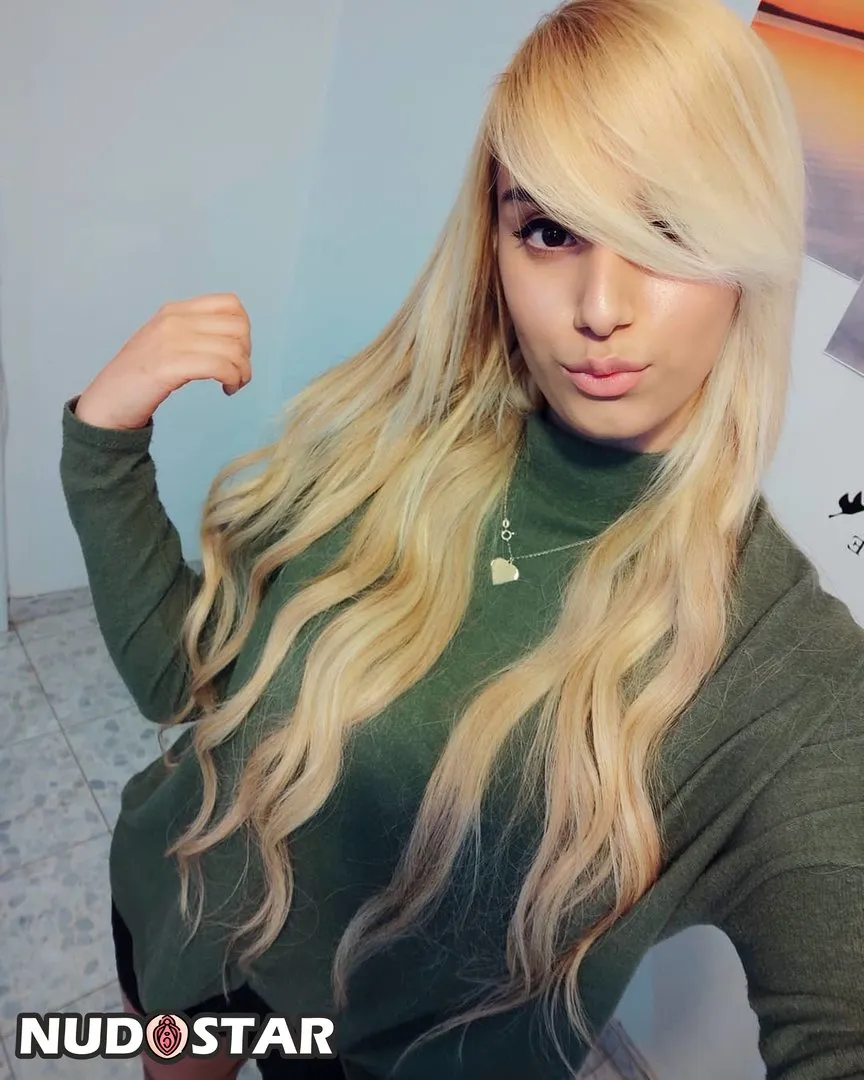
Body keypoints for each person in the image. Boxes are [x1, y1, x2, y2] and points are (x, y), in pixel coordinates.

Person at [59, 0, 864, 1076]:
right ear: (495, 240)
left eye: (669, 229)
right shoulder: (391, 441)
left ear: (749, 245)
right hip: (178, 915)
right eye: (550, 230)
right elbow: (183, 682)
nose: (600, 305)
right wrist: (104, 445)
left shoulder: (788, 674)